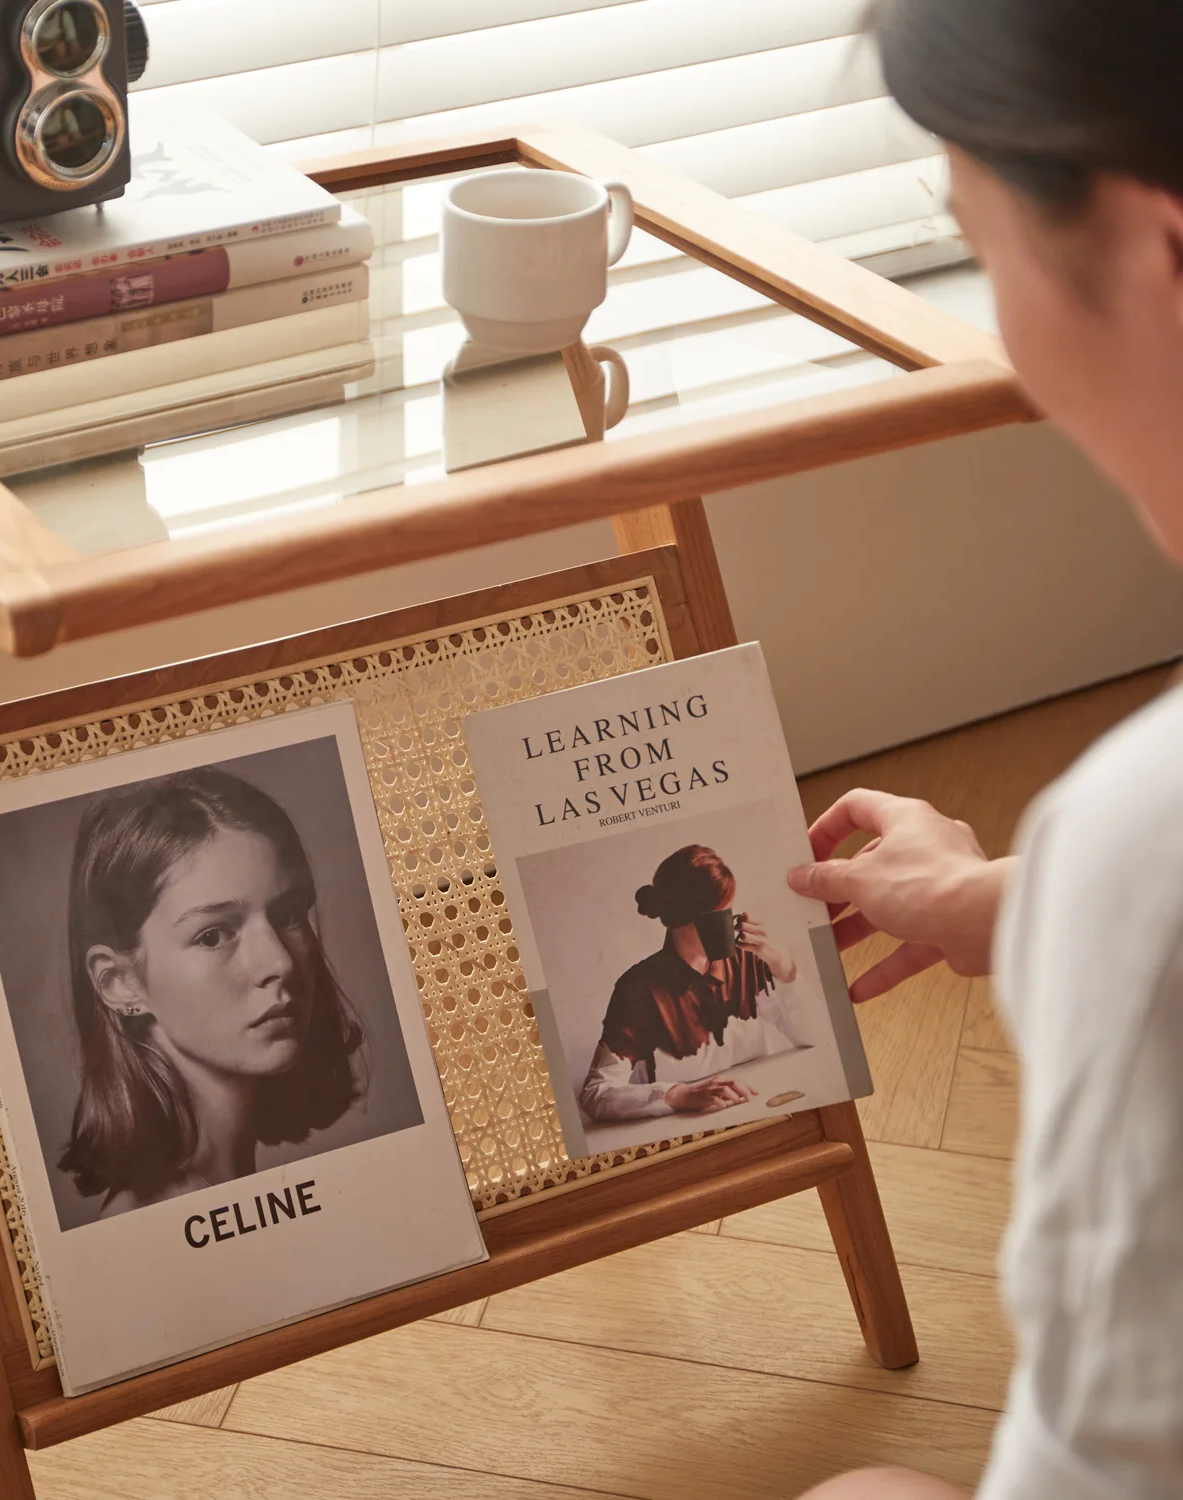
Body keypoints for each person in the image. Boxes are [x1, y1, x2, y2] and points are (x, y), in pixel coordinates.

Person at [793, 3, 1183, 1497]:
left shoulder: (1148, 838)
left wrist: (1097, 890)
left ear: (1155, 255)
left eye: (977, 236)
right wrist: (1013, 901)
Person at [57, 767, 364, 1216]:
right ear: (120, 983)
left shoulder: (224, 1191)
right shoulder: (152, 1228)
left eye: (288, 915)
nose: (279, 962)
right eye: (213, 935)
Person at [579, 844, 811, 1123]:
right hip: (685, 1125)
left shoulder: (751, 959)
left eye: (728, 911)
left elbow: (815, 1038)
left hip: (770, 1104)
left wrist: (786, 972)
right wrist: (678, 1095)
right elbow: (595, 1093)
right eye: (714, 917)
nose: (726, 925)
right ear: (678, 919)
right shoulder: (638, 988)